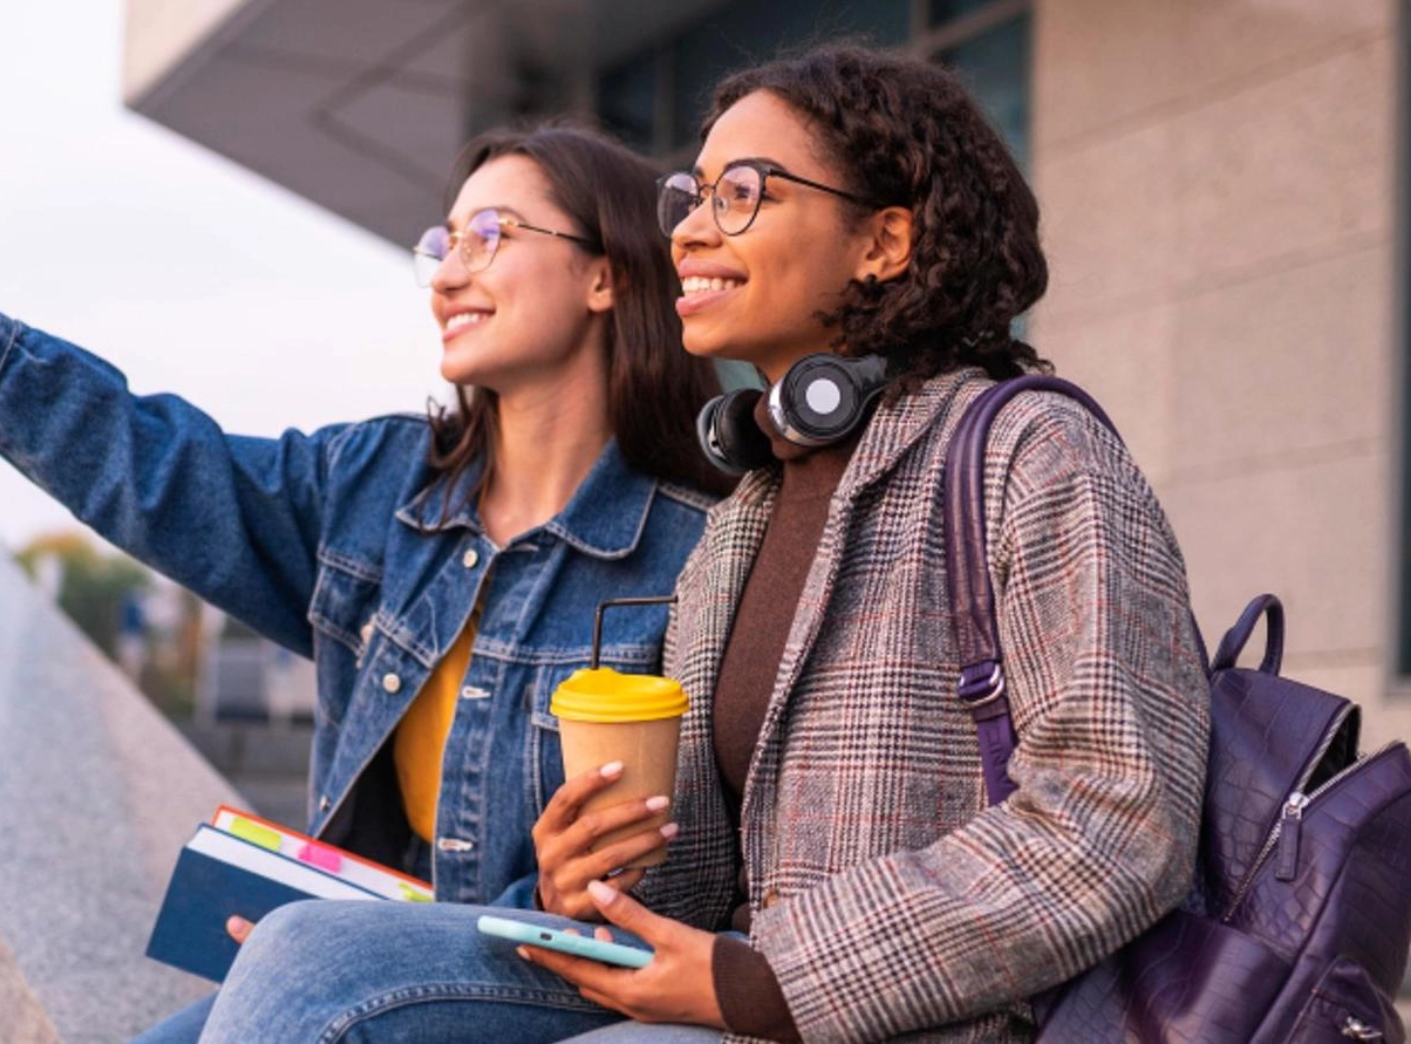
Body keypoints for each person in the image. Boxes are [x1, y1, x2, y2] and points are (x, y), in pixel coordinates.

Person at [180, 44, 1210, 1044]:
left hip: (927, 1020)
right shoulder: (746, 510)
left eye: (741, 194)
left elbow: (1117, 820)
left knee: (318, 972)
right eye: (693, 195)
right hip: (727, 991)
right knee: (302, 951)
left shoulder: (1029, 450)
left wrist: (761, 978)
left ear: (882, 242)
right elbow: (707, 872)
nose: (688, 232)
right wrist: (588, 872)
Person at [0, 124, 732, 1038]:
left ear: (606, 276)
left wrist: (391, 934)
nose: (446, 273)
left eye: (490, 237)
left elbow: (711, 862)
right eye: (439, 243)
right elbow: (146, 461)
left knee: (302, 968)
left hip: (566, 975)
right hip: (379, 951)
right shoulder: (376, 487)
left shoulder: (695, 550)